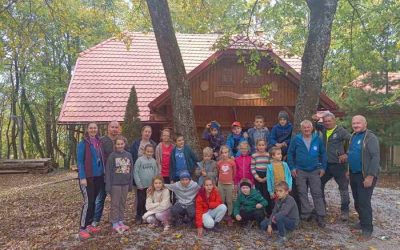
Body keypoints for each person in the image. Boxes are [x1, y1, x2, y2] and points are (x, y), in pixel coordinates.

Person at [287, 120, 327, 228]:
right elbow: (290, 153)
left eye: (308, 127)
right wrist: (292, 167)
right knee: (302, 192)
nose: (306, 129)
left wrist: (323, 167)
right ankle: (306, 213)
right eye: (304, 128)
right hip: (300, 170)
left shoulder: (317, 139)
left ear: (311, 128)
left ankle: (320, 215)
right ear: (301, 129)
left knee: (317, 193)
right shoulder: (296, 139)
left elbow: (323, 153)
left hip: (314, 170)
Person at [312, 112, 351, 221]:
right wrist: (315, 119)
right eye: (325, 121)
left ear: (334, 121)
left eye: (329, 121)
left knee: (343, 188)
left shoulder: (341, 131)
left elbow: (352, 140)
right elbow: (315, 125)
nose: (327, 123)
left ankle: (345, 211)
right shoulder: (323, 129)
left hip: (339, 165)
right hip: (325, 165)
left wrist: (347, 154)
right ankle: (322, 208)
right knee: (319, 184)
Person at [347, 115, 380, 241]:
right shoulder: (353, 136)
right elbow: (351, 154)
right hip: (354, 174)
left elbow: (375, 157)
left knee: (364, 202)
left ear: (365, 124)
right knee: (357, 201)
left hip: (366, 175)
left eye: (358, 123)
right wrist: (348, 170)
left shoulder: (370, 137)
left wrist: (370, 176)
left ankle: (367, 230)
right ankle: (362, 222)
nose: (355, 125)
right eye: (354, 123)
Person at [76, 122, 105, 240]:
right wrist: (82, 177)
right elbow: (80, 161)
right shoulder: (83, 143)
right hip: (87, 177)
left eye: (95, 128)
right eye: (91, 128)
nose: (93, 130)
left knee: (94, 201)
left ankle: (89, 224)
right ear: (87, 130)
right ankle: (82, 228)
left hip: (98, 176)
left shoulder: (99, 142)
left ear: (97, 130)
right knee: (88, 202)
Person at [92, 121, 121, 228]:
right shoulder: (102, 141)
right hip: (104, 174)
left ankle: (115, 219)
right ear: (108, 128)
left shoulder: (122, 140)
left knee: (116, 199)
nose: (114, 129)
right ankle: (95, 219)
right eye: (112, 127)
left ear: (119, 128)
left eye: (116, 127)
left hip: (117, 175)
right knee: (100, 197)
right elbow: (97, 158)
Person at [105, 136, 133, 234]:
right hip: (115, 184)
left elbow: (131, 170)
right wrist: (108, 185)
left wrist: (130, 183)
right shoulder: (112, 156)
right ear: (115, 145)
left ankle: (121, 220)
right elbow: (108, 171)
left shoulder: (129, 155)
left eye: (122, 144)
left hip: (125, 183)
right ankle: (114, 222)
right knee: (115, 204)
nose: (120, 146)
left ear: (124, 144)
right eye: (118, 144)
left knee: (122, 203)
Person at [134, 144, 159, 224]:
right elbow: (136, 172)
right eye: (148, 151)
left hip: (150, 186)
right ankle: (138, 216)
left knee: (148, 202)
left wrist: (154, 184)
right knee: (140, 202)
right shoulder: (139, 160)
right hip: (141, 186)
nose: (149, 153)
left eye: (151, 152)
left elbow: (156, 172)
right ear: (144, 151)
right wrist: (138, 184)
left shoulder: (153, 161)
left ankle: (146, 216)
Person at [251, 138, 272, 214]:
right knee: (259, 194)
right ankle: (260, 211)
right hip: (258, 176)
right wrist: (257, 178)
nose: (261, 147)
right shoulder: (254, 155)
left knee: (267, 193)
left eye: (263, 145)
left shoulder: (268, 155)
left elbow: (271, 167)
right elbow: (252, 168)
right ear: (256, 146)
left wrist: (267, 177)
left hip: (267, 176)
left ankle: (268, 211)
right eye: (259, 145)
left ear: (265, 146)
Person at [217, 145, 236, 226]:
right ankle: (221, 216)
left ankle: (229, 216)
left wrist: (231, 181)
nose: (224, 154)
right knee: (221, 201)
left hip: (229, 184)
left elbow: (234, 173)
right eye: (223, 153)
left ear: (228, 153)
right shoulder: (219, 163)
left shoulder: (232, 162)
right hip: (221, 184)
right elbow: (218, 172)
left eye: (226, 152)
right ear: (220, 154)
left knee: (229, 201)